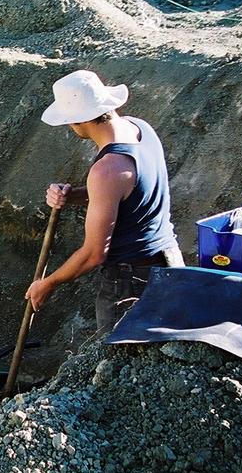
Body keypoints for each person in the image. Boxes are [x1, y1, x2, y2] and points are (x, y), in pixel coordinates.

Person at [25, 69, 184, 335]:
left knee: (120, 363)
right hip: (170, 262)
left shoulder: (106, 170)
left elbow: (94, 253)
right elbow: (129, 190)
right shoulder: (140, 128)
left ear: (77, 121)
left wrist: (48, 283)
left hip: (131, 282)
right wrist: (73, 195)